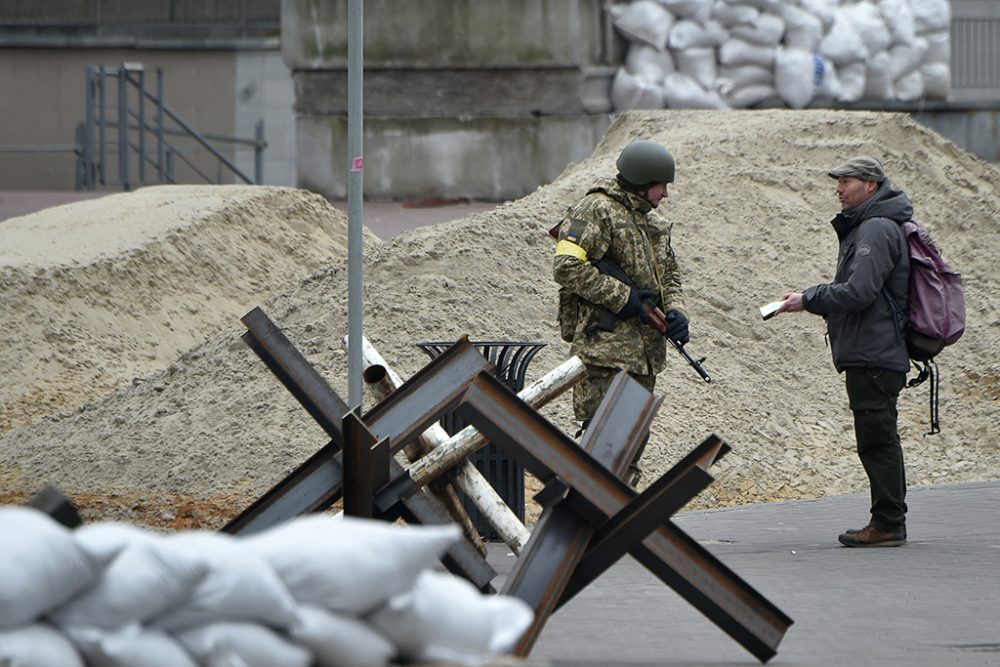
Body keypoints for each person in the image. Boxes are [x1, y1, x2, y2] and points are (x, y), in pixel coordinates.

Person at [773, 155, 911, 547]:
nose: (838, 188)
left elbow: (859, 291)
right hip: (874, 350)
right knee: (879, 435)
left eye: (846, 181)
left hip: (874, 352)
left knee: (877, 438)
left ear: (870, 185)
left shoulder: (876, 229)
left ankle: (887, 522)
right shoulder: (875, 225)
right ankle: (889, 519)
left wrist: (808, 299)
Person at [553, 140, 688, 486]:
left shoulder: (650, 223)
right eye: (662, 185)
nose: (666, 194)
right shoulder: (594, 210)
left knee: (630, 447)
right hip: (606, 354)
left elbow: (669, 275)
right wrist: (622, 298)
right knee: (601, 448)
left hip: (644, 356)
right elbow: (566, 266)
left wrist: (675, 312)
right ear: (643, 180)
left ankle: (615, 523)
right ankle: (582, 524)